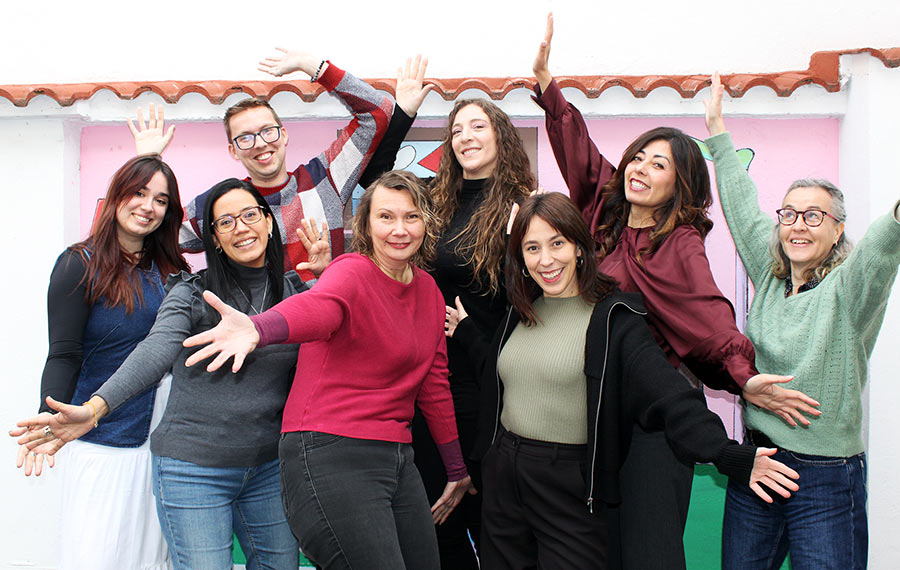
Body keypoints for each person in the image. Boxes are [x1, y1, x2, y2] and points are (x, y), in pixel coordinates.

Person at [530, 14, 818, 569]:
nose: (639, 167)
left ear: (679, 181)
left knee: (650, 553)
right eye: (637, 156)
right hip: (600, 410)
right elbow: (580, 155)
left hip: (655, 419)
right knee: (603, 548)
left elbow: (709, 317)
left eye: (657, 163)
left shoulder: (678, 241)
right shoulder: (606, 213)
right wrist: (547, 84)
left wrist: (744, 377)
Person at [445, 192, 799, 569]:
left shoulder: (615, 320)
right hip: (503, 480)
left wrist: (728, 455)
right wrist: (468, 334)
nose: (545, 259)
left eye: (557, 243)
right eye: (532, 248)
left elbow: (670, 397)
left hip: (569, 486)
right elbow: (511, 375)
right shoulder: (521, 311)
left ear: (579, 247)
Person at [177, 170, 475, 569]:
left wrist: (456, 468)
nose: (399, 229)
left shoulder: (429, 292)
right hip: (329, 450)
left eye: (412, 217)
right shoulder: (351, 271)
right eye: (386, 217)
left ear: (427, 223)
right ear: (366, 225)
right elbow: (318, 308)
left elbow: (434, 386)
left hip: (396, 454)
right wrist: (258, 328)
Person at [16, 179, 316, 569]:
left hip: (268, 470)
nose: (240, 227)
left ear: (269, 222)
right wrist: (93, 409)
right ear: (214, 239)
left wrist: (327, 275)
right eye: (225, 222)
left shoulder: (298, 295)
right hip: (194, 471)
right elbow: (155, 350)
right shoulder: (192, 292)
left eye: (249, 215)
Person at [704, 71, 900, 570]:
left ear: (837, 230)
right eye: (789, 214)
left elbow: (879, 252)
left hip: (826, 480)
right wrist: (718, 132)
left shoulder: (848, 291)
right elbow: (742, 208)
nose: (798, 225)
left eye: (814, 216)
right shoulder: (769, 278)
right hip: (759, 466)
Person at [359, 56, 535, 568]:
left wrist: (473, 331)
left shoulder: (523, 206)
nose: (465, 137)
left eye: (478, 126)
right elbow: (374, 183)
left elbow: (533, 300)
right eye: (456, 129)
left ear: (501, 136)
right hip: (424, 375)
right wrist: (403, 113)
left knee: (494, 523)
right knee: (438, 520)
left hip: (487, 382)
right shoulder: (434, 198)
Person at [11, 155, 189, 570]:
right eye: (139, 192)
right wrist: (48, 413)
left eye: (160, 200)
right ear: (116, 195)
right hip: (102, 439)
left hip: (165, 443)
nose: (148, 206)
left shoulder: (173, 271)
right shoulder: (79, 263)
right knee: (97, 555)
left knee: (152, 559)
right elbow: (64, 353)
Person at [129, 48, 393, 279]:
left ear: (284, 135)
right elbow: (146, 232)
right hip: (250, 322)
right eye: (245, 138)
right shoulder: (220, 204)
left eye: (268, 131)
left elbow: (378, 111)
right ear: (233, 151)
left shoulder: (325, 178)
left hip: (321, 319)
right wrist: (147, 162)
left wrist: (314, 66)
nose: (259, 143)